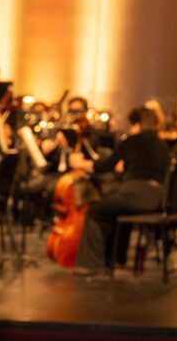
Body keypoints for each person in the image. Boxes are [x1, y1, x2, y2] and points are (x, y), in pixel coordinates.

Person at [70, 107, 170, 274]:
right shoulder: (162, 144)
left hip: (137, 195)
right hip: (158, 197)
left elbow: (105, 165)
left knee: (96, 212)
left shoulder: (132, 141)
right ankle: (117, 258)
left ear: (137, 124)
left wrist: (80, 164)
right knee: (115, 206)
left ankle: (91, 265)